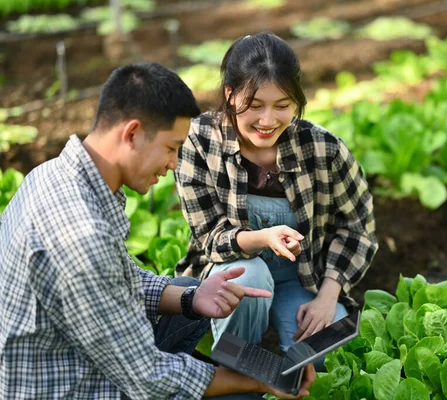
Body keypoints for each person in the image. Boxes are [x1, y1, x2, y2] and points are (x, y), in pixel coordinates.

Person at [0, 62, 314, 399]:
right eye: (170, 147)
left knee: (185, 288)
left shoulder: (52, 175)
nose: (174, 163)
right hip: (67, 387)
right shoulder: (82, 234)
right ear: (132, 133)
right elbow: (147, 378)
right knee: (235, 391)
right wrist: (256, 379)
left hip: (66, 356)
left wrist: (193, 298)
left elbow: (121, 278)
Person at [175, 32, 378, 369]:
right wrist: (261, 239)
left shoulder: (323, 149)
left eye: (282, 106)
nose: (268, 121)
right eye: (255, 106)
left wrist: (328, 297)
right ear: (230, 94)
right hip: (230, 269)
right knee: (248, 276)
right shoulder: (199, 140)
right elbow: (208, 234)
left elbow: (358, 227)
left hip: (302, 276)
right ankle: (235, 369)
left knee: (331, 360)